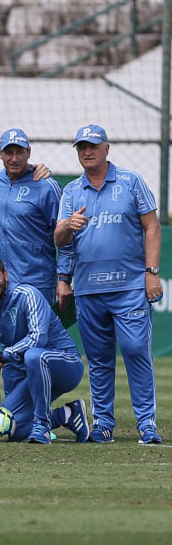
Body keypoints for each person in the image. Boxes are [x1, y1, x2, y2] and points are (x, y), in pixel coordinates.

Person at [54, 124, 162, 444]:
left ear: (106, 149)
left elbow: (153, 226)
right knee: (99, 359)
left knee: (134, 350)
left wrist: (151, 272)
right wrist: (67, 228)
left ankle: (147, 424)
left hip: (129, 287)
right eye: (81, 147)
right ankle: (103, 423)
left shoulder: (131, 181)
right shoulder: (72, 191)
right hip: (88, 289)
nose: (87, 151)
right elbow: (60, 240)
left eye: (93, 146)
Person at [0, 257, 88, 444]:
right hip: (31, 376)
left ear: (5, 275)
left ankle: (42, 424)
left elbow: (38, 337)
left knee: (34, 355)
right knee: (9, 428)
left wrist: (3, 356)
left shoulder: (27, 294)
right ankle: (67, 415)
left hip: (65, 365)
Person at [0, 128, 71, 314]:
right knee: (9, 339)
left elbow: (66, 235)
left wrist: (64, 278)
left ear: (29, 152)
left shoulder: (46, 186)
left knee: (39, 340)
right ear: (0, 154)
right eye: (9, 152)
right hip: (1, 283)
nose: (15, 158)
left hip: (37, 282)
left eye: (20, 152)